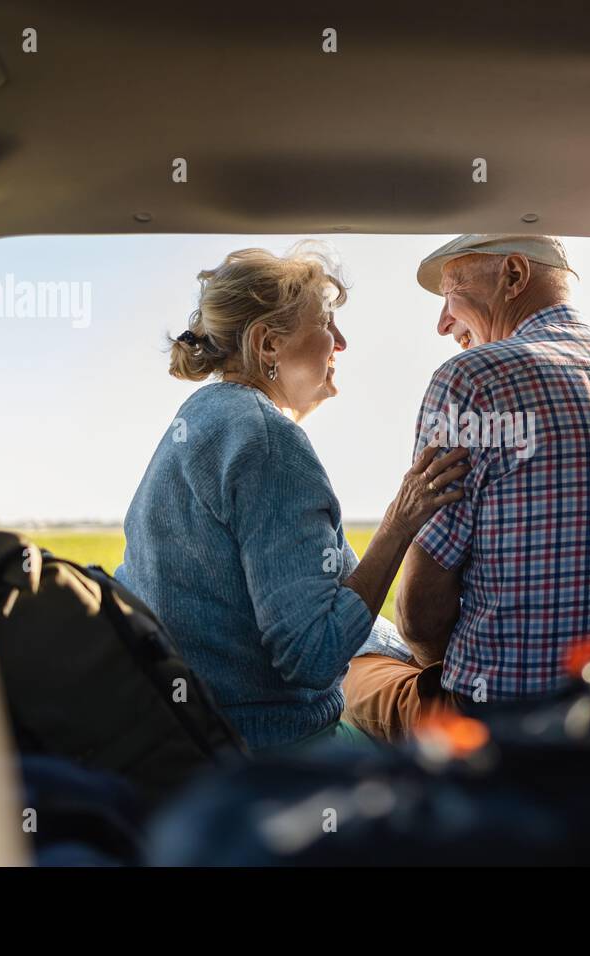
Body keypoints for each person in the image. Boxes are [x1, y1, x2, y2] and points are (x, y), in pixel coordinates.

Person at [343, 235, 590, 739]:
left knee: (352, 667)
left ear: (514, 276)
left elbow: (420, 619)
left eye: (451, 293)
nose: (442, 323)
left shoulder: (471, 379)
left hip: (506, 732)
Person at [115, 244, 467, 752]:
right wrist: (398, 524)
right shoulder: (264, 439)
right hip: (273, 747)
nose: (341, 342)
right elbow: (313, 655)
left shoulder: (206, 415)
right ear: (268, 344)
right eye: (326, 323)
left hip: (192, 732)